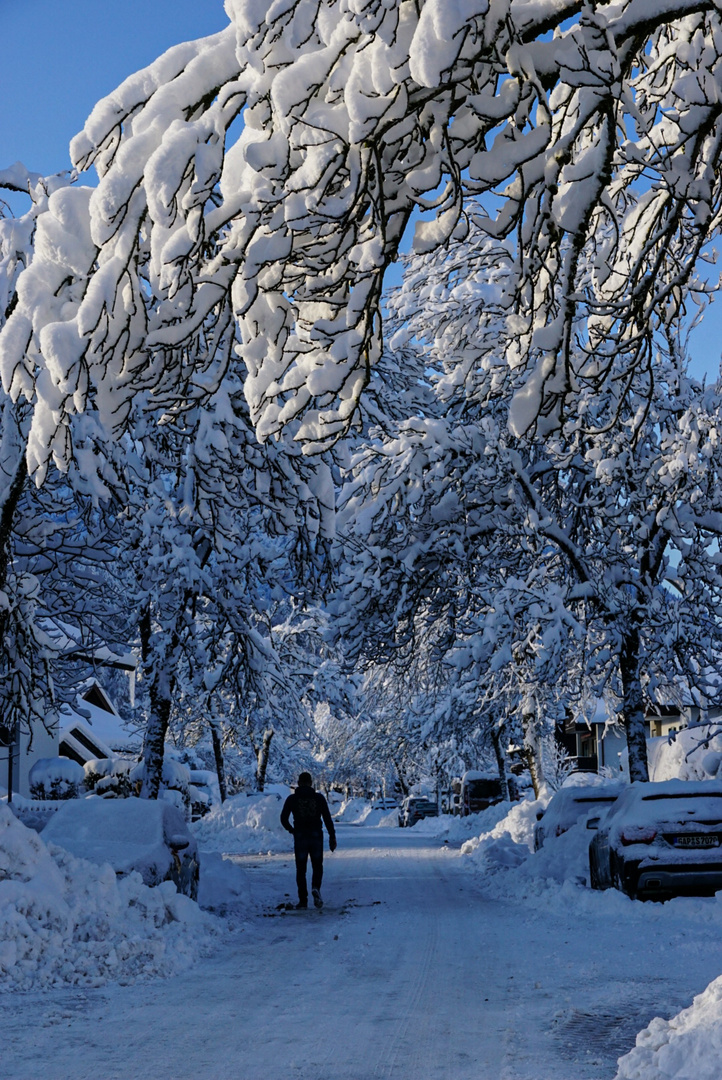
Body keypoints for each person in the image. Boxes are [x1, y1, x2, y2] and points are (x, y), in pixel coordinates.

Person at [281, 772, 337, 908]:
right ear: (311, 783)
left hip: (300, 836)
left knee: (301, 869)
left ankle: (303, 900)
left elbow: (283, 818)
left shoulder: (291, 799)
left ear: (298, 783)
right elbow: (327, 819)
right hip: (316, 835)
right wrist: (332, 836)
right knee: (317, 866)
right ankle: (315, 887)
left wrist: (292, 830)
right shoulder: (319, 798)